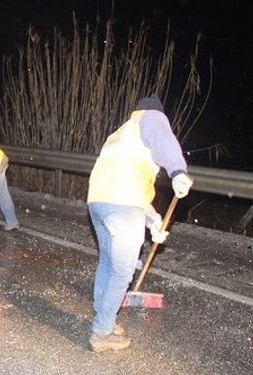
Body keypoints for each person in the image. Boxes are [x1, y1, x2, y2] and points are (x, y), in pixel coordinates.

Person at [86, 95, 194, 352]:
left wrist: (154, 221)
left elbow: (128, 183)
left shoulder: (123, 133)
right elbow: (164, 141)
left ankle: (104, 317)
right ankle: (101, 332)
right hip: (122, 206)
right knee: (122, 271)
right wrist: (178, 171)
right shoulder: (153, 118)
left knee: (109, 263)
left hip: (98, 203)